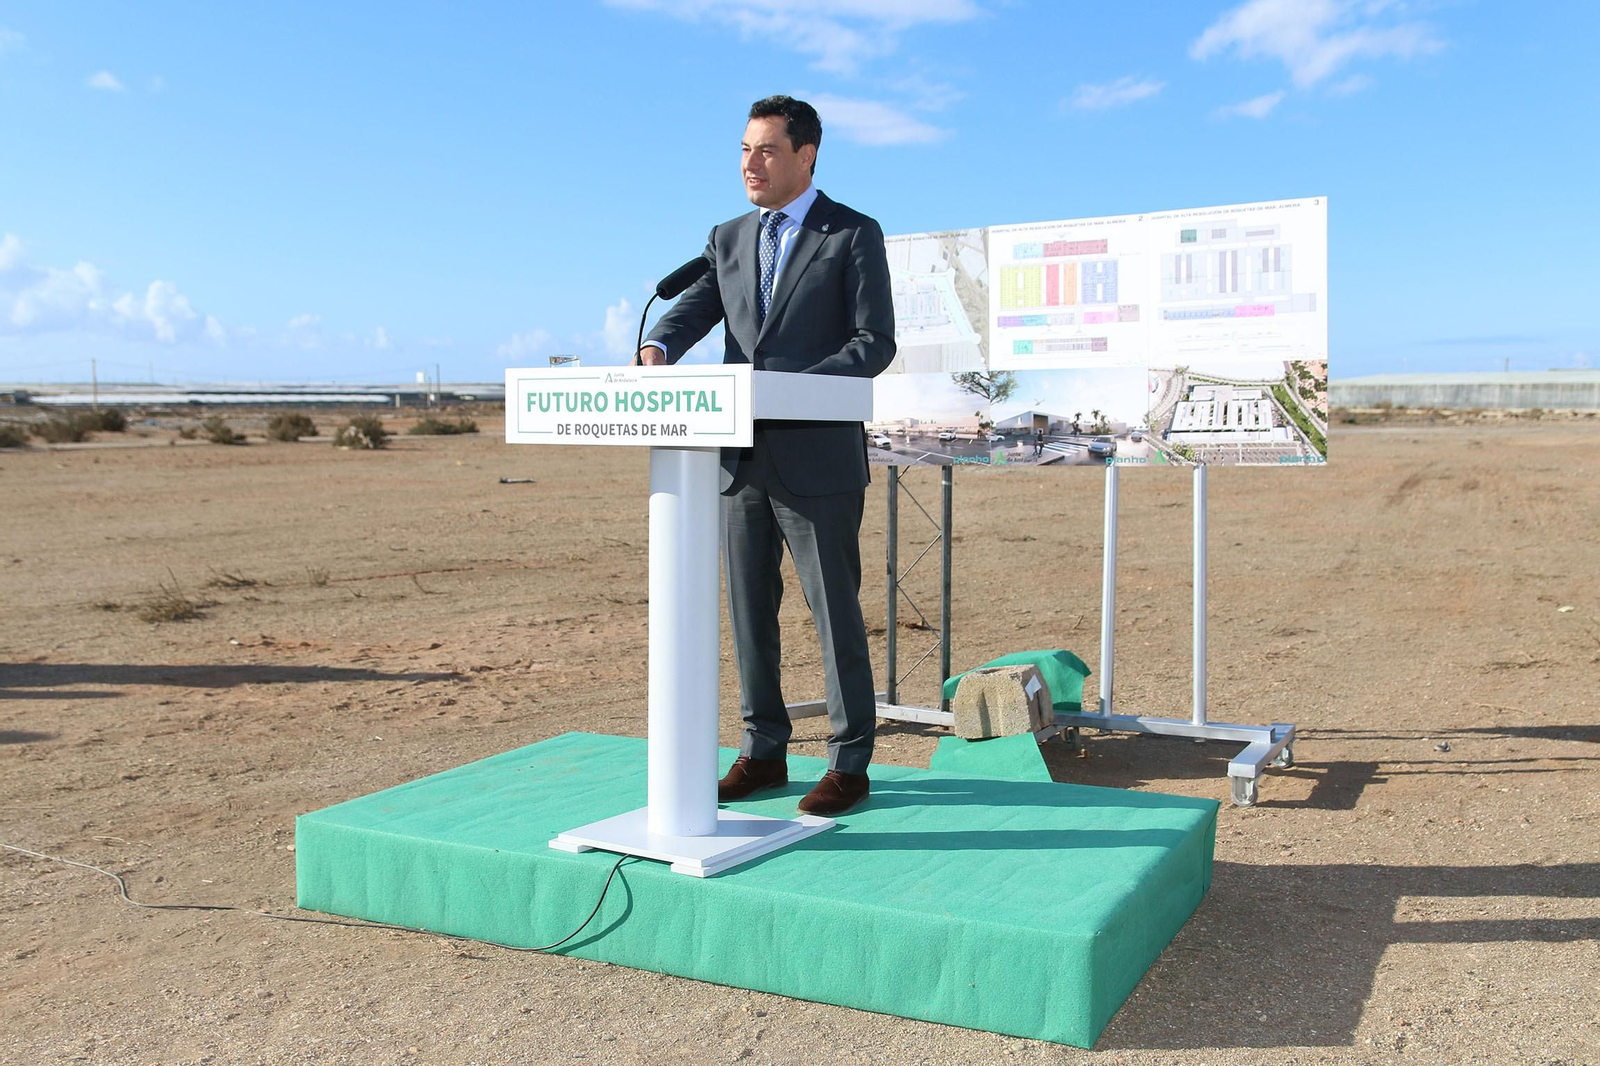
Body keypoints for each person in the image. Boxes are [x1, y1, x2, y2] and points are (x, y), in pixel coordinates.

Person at [638, 95, 895, 816]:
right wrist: (657, 345)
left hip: (818, 463)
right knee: (751, 615)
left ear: (805, 156)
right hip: (737, 461)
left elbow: (873, 343)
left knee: (833, 614)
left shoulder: (852, 233)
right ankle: (764, 752)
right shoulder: (727, 237)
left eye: (767, 150)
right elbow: (696, 306)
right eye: (745, 150)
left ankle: (849, 762)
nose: (751, 164)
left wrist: (784, 389)